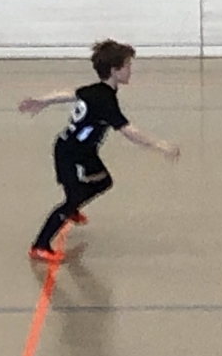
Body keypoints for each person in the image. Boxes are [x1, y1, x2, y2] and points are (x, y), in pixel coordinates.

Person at [19, 39, 180, 263]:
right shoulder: (105, 100)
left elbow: (69, 93)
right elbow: (128, 131)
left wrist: (43, 101)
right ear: (114, 71)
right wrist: (160, 145)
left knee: (102, 181)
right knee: (76, 197)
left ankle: (73, 204)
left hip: (81, 151)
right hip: (71, 154)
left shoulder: (96, 90)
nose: (130, 70)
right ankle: (40, 245)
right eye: (127, 66)